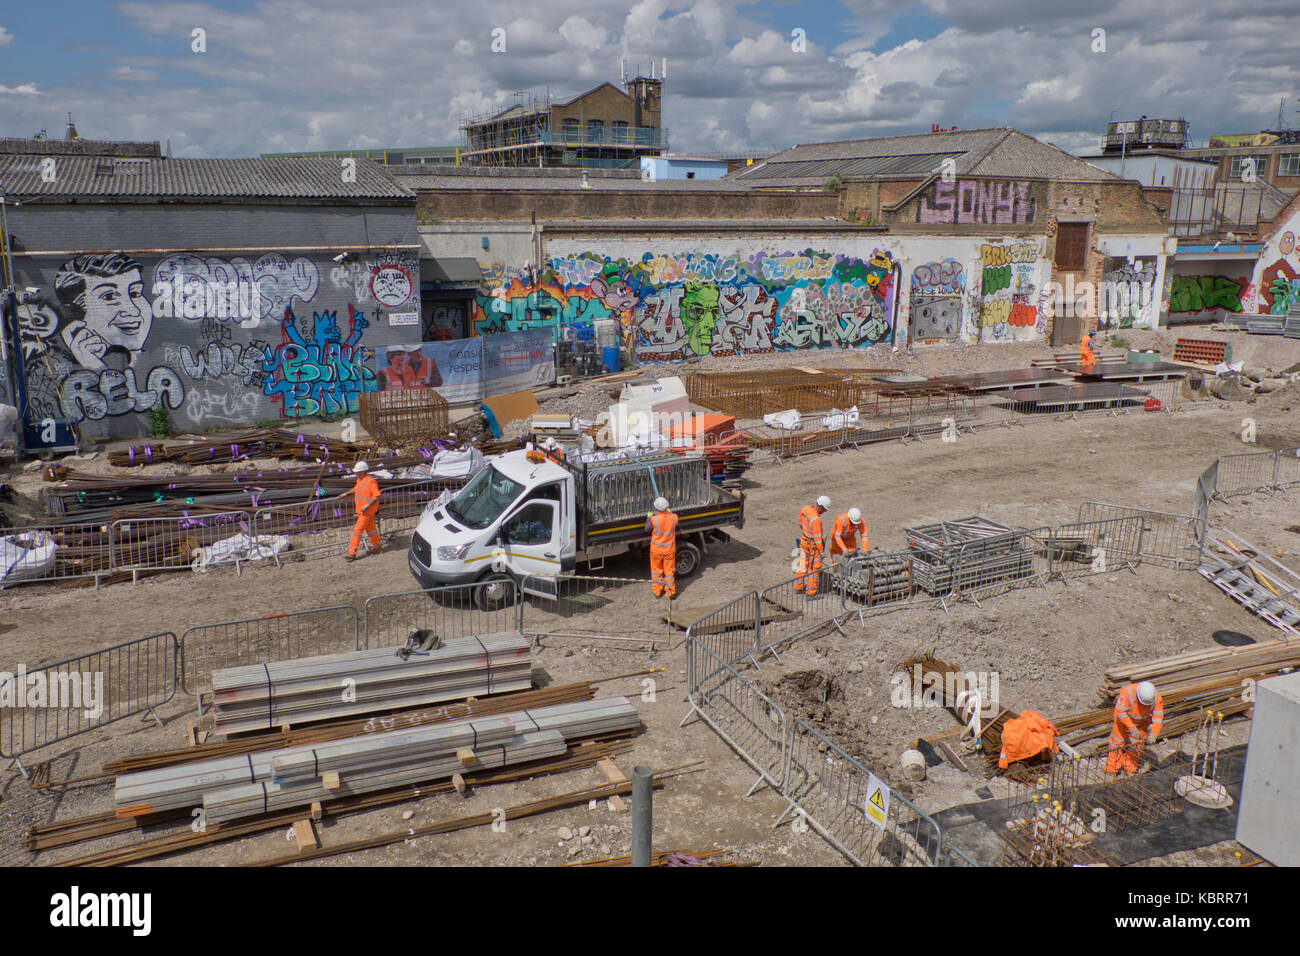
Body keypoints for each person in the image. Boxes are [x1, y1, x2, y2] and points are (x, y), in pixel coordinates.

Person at [1105, 680, 1164, 775]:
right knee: (1116, 743)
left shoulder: (1156, 699)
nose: (1143, 705)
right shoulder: (1127, 692)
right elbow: (1121, 713)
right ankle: (1111, 770)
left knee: (1136, 745)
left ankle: (1130, 768)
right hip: (1123, 720)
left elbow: (1157, 719)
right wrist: (1132, 728)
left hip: (1141, 722)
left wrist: (1154, 734)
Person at [344, 460, 381, 561]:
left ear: (364, 471)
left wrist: (367, 505)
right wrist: (346, 493)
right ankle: (377, 546)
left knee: (357, 531)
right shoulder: (360, 480)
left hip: (366, 511)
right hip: (362, 511)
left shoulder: (371, 482)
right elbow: (356, 489)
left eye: (358, 472)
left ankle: (352, 553)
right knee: (371, 529)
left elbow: (376, 496)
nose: (356, 474)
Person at [794, 495, 829, 596]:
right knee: (814, 568)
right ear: (821, 507)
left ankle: (798, 587)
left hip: (804, 540)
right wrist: (821, 551)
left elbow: (800, 523)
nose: (824, 512)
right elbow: (818, 538)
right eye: (824, 510)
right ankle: (811, 592)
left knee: (802, 564)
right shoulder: (816, 520)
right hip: (812, 546)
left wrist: (806, 533)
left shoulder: (805, 509)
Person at [644, 496, 678, 599]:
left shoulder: (654, 519)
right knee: (669, 572)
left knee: (656, 572)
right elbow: (671, 519)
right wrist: (669, 512)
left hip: (656, 550)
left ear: (656, 508)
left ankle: (657, 592)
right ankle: (670, 593)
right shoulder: (674, 517)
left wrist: (648, 518)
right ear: (667, 506)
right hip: (669, 550)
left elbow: (647, 529)